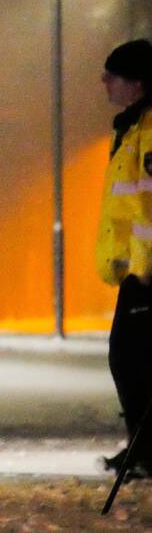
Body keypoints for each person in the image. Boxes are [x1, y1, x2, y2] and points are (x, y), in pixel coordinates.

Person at [95, 39, 152, 479]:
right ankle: (142, 447)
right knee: (130, 358)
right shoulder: (132, 127)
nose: (104, 82)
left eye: (112, 75)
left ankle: (145, 450)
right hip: (138, 267)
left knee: (131, 359)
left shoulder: (148, 132)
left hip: (149, 271)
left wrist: (145, 268)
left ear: (136, 83)